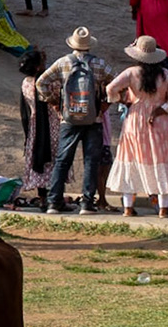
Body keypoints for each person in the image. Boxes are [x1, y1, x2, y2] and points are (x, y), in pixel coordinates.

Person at [104, 36, 168, 217]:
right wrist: (159, 111)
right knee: (160, 161)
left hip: (135, 120)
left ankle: (128, 208)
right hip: (160, 122)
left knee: (131, 160)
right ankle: (163, 209)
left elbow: (110, 89)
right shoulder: (166, 75)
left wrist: (122, 101)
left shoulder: (131, 73)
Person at [40, 28, 113, 214]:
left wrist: (55, 103)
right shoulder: (99, 64)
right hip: (93, 118)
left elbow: (41, 82)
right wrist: (106, 103)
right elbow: (117, 83)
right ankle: (87, 204)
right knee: (91, 161)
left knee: (62, 160)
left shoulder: (63, 62)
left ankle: (54, 202)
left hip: (69, 118)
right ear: (89, 45)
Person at [14, 48, 54, 206]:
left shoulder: (25, 83)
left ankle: (43, 198)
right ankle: (55, 198)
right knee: (53, 161)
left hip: (33, 126)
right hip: (50, 126)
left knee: (40, 161)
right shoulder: (46, 82)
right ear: (38, 67)